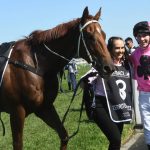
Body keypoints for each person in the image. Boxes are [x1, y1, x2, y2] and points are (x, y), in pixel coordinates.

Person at [82, 36, 132, 150]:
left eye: (122, 47)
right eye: (117, 48)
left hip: (119, 105)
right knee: (116, 139)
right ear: (110, 49)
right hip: (101, 106)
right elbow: (83, 84)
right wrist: (91, 78)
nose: (120, 50)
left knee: (116, 141)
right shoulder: (102, 64)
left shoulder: (127, 64)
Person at [130, 21, 150, 149]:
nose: (142, 38)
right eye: (138, 36)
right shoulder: (133, 55)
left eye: (145, 35)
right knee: (147, 124)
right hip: (143, 95)